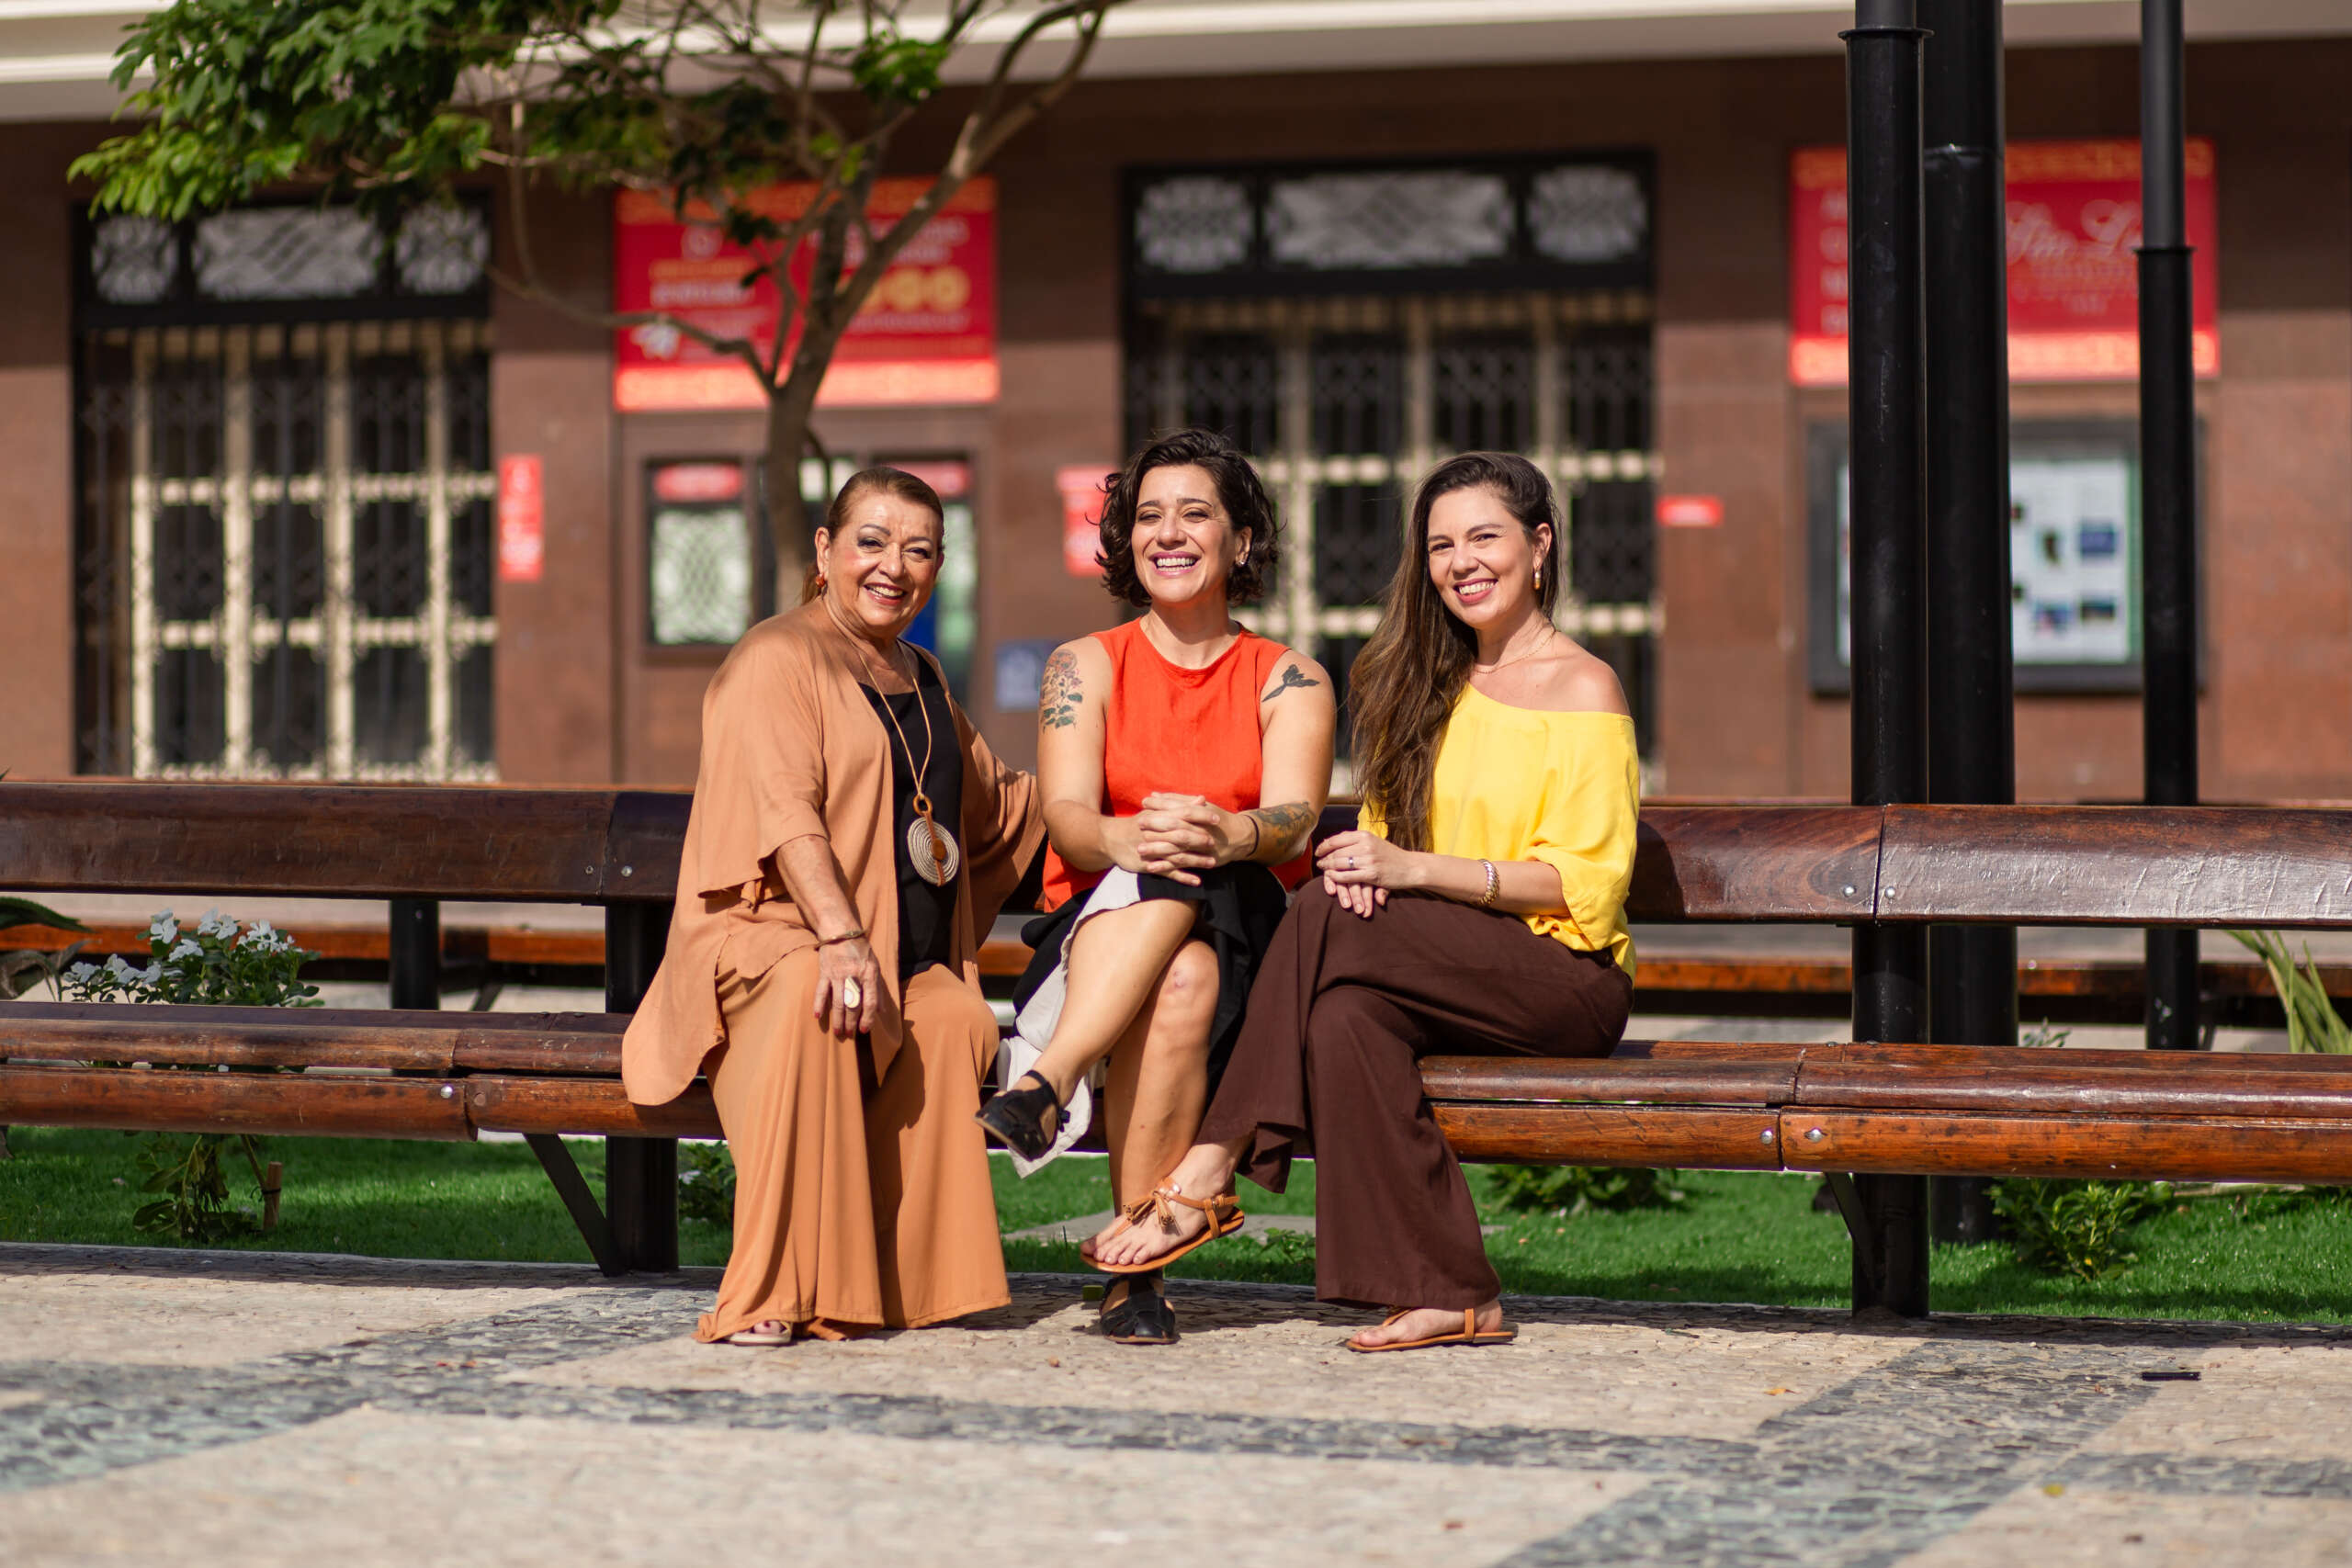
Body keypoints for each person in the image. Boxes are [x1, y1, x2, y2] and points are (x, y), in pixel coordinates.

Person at [1093, 451, 1639, 1353]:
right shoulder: (1421, 684)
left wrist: (1412, 872)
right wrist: (1366, 869)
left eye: (1484, 538)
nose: (1461, 562)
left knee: (1319, 912)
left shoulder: (1584, 687)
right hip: (1441, 965)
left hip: (1563, 977)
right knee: (1343, 1017)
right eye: (1440, 546)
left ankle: (1210, 1162)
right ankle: (1448, 1291)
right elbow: (1378, 856)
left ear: (1540, 546)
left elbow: (1582, 884)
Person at [622, 467, 1043, 1347]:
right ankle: (769, 1287)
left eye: (919, 550)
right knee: (823, 994)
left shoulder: (922, 673)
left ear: (939, 568)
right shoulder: (777, 657)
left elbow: (999, 804)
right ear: (825, 549)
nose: (894, 566)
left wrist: (1124, 810)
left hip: (889, 950)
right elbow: (788, 815)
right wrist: (843, 936)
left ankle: (898, 1284)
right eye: (872, 541)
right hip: (768, 938)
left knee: (955, 1015)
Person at [974, 428, 1334, 1345]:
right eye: (1148, 516)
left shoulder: (1291, 678)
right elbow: (1067, 818)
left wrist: (1229, 830)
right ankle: (1136, 1276)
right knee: (1175, 939)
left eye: (1194, 514)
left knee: (1193, 935)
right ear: (1126, 539)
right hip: (1096, 936)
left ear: (1240, 540)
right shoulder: (1083, 663)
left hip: (1245, 938)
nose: (1167, 533)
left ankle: (1045, 1083)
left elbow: (1294, 817)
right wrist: (1127, 836)